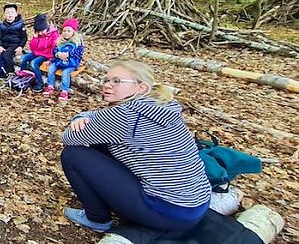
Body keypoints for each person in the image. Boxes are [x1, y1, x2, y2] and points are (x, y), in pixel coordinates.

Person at [60, 60, 211, 232]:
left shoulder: (125, 115)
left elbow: (69, 137)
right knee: (99, 143)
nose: (108, 85)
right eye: (106, 80)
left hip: (170, 212)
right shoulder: (161, 106)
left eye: (117, 81)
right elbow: (100, 118)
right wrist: (84, 117)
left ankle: (97, 219)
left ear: (141, 88)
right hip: (197, 203)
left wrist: (79, 119)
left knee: (73, 155)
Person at [43, 18, 84, 102]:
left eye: (69, 31)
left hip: (71, 63)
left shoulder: (77, 42)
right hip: (59, 61)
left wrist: (68, 54)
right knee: (51, 69)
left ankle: (64, 90)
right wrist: (58, 54)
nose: (66, 33)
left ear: (73, 32)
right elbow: (54, 51)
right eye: (64, 31)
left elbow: (79, 52)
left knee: (65, 73)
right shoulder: (59, 41)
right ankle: (50, 85)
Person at [0, 3, 27, 78]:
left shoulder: (20, 25)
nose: (10, 14)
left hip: (14, 44)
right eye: (7, 13)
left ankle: (10, 72)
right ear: (4, 15)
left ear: (16, 14)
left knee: (6, 55)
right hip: (4, 43)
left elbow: (24, 37)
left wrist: (20, 47)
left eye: (12, 12)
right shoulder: (2, 25)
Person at [19, 13, 59, 92]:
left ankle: (39, 82)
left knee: (34, 63)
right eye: (38, 31)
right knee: (24, 59)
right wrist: (35, 38)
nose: (40, 33)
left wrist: (51, 58)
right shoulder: (38, 35)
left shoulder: (53, 34)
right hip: (37, 52)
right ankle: (24, 76)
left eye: (42, 31)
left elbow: (54, 47)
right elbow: (32, 48)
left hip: (46, 54)